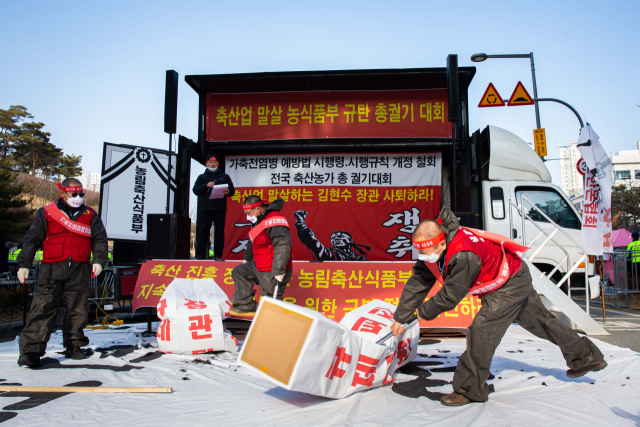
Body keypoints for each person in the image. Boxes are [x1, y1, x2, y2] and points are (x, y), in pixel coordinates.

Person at [390, 207, 606, 407]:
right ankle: (587, 358)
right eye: (421, 252)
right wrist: (402, 315)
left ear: (441, 243)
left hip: (509, 284)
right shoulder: (434, 244)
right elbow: (419, 280)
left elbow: (450, 296)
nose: (425, 257)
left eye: (428, 252)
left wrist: (419, 314)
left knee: (482, 330)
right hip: (510, 275)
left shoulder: (463, 254)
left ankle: (469, 389)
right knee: (542, 323)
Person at [16, 178, 108, 368]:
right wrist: (24, 264)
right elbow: (32, 238)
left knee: (78, 309)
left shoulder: (90, 214)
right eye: (73, 194)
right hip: (51, 268)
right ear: (63, 194)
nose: (78, 198)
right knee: (42, 308)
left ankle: (74, 346)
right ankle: (31, 351)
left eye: (81, 194)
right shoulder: (47, 213)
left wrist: (99, 260)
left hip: (79, 268)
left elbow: (99, 238)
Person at [229, 195, 293, 317]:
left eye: (248, 213)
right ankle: (245, 306)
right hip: (259, 263)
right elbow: (253, 238)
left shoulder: (275, 220)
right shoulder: (259, 218)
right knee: (239, 272)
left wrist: (279, 269)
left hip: (272, 267)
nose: (247, 216)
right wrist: (247, 258)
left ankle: (274, 328)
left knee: (271, 301)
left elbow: (283, 244)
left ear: (257, 209)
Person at [192, 154, 235, 260]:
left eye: (214, 162)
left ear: (218, 164)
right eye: (210, 163)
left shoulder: (225, 176)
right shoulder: (201, 177)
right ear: (206, 164)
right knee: (203, 232)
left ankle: (218, 255)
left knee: (219, 232)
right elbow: (195, 190)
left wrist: (228, 191)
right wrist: (205, 185)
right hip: (205, 208)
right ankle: (201, 254)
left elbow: (232, 191)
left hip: (220, 208)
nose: (212, 164)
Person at [293, 209, 371, 261]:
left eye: (340, 236)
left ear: (351, 241)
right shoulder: (330, 254)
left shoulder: (361, 258)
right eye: (333, 238)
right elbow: (312, 241)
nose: (336, 238)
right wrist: (301, 223)